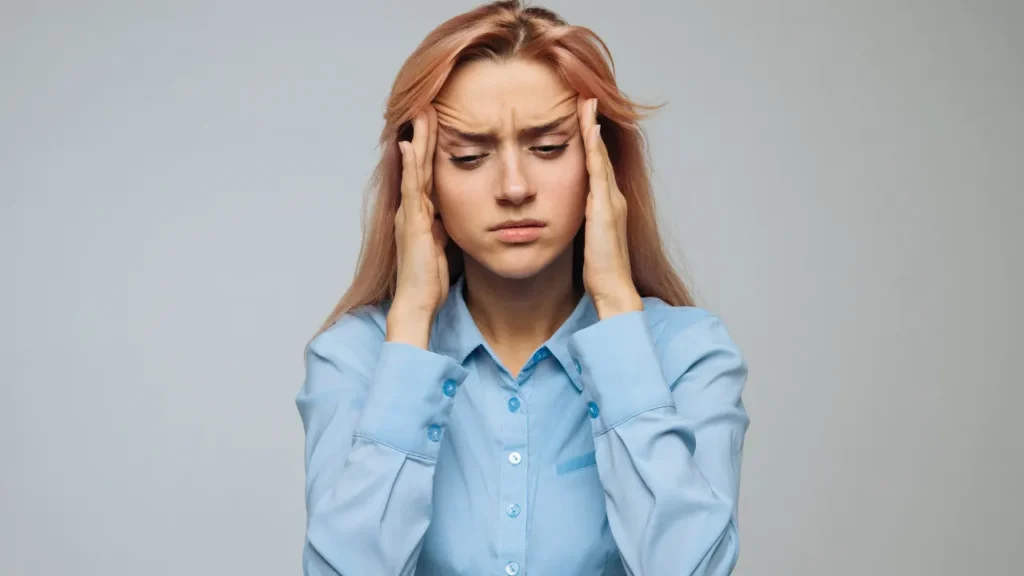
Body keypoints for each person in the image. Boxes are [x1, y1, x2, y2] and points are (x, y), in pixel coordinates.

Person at [296, 1, 750, 574]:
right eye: (468, 156)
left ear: (599, 160)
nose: (514, 187)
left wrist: (615, 306)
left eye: (548, 148)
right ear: (420, 176)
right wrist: (409, 325)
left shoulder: (688, 354)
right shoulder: (354, 360)